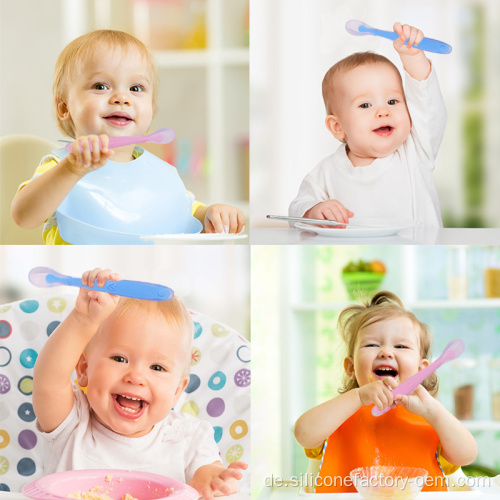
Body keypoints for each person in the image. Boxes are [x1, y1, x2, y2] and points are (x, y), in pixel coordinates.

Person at [11, 30, 245, 244]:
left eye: (136, 88)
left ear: (152, 107)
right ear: (64, 108)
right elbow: (24, 216)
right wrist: (71, 171)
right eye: (101, 86)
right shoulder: (59, 168)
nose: (122, 98)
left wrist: (211, 215)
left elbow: (185, 213)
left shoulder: (160, 173)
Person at [32, 268, 247, 499]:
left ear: (177, 391)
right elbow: (49, 382)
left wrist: (212, 482)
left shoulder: (189, 437)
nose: (135, 377)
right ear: (84, 369)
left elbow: (207, 473)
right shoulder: (72, 421)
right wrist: (83, 319)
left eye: (157, 368)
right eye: (119, 359)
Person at [293, 291, 476, 493]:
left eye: (401, 346)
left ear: (421, 370)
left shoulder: (432, 420)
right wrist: (359, 396)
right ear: (351, 368)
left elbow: (467, 455)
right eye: (372, 344)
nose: (386, 352)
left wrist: (433, 411)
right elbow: (303, 434)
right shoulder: (336, 418)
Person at [289, 23, 446, 228]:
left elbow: (429, 107)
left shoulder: (416, 152)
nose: (383, 111)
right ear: (337, 127)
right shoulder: (326, 172)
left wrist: (413, 57)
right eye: (365, 105)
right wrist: (315, 210)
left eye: (392, 101)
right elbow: (297, 209)